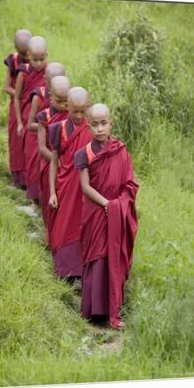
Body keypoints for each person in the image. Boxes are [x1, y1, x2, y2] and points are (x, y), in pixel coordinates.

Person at [74, 103, 139, 329]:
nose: (100, 129)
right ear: (88, 126)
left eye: (104, 123)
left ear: (110, 123)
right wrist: (106, 204)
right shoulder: (84, 154)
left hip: (115, 211)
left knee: (113, 257)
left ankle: (112, 307)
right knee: (97, 256)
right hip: (95, 211)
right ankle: (94, 310)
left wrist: (117, 205)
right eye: (95, 125)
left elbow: (130, 183)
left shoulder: (121, 151)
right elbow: (85, 187)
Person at [48, 87, 92, 278]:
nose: (79, 116)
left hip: (84, 189)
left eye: (83, 111)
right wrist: (52, 192)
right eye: (75, 111)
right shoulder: (58, 129)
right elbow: (53, 161)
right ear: (68, 106)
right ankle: (64, 270)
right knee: (62, 227)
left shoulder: (92, 129)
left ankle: (79, 271)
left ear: (88, 108)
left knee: (80, 227)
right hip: (65, 185)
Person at [25, 62, 66, 201]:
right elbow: (30, 125)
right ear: (46, 81)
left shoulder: (68, 100)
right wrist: (49, 128)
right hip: (46, 145)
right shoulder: (39, 96)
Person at [36, 75, 70, 239]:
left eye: (66, 101)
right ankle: (50, 235)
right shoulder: (45, 116)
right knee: (50, 201)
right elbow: (42, 148)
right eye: (59, 101)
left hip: (68, 166)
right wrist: (58, 162)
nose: (64, 106)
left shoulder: (73, 113)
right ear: (50, 96)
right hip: (49, 163)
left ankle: (62, 235)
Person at [13, 36, 47, 188]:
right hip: (29, 121)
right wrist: (19, 122)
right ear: (28, 56)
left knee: (42, 158)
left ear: (46, 55)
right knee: (31, 157)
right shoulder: (24, 73)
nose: (39, 63)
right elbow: (17, 97)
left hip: (45, 121)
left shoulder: (50, 71)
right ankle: (31, 191)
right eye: (35, 59)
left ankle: (40, 193)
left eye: (42, 59)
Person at [3, 29, 32, 187]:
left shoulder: (37, 59)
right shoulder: (13, 61)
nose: (27, 57)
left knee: (29, 141)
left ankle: (30, 178)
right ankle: (18, 179)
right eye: (23, 55)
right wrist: (20, 95)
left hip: (32, 105)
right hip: (17, 105)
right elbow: (7, 87)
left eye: (28, 53)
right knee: (16, 141)